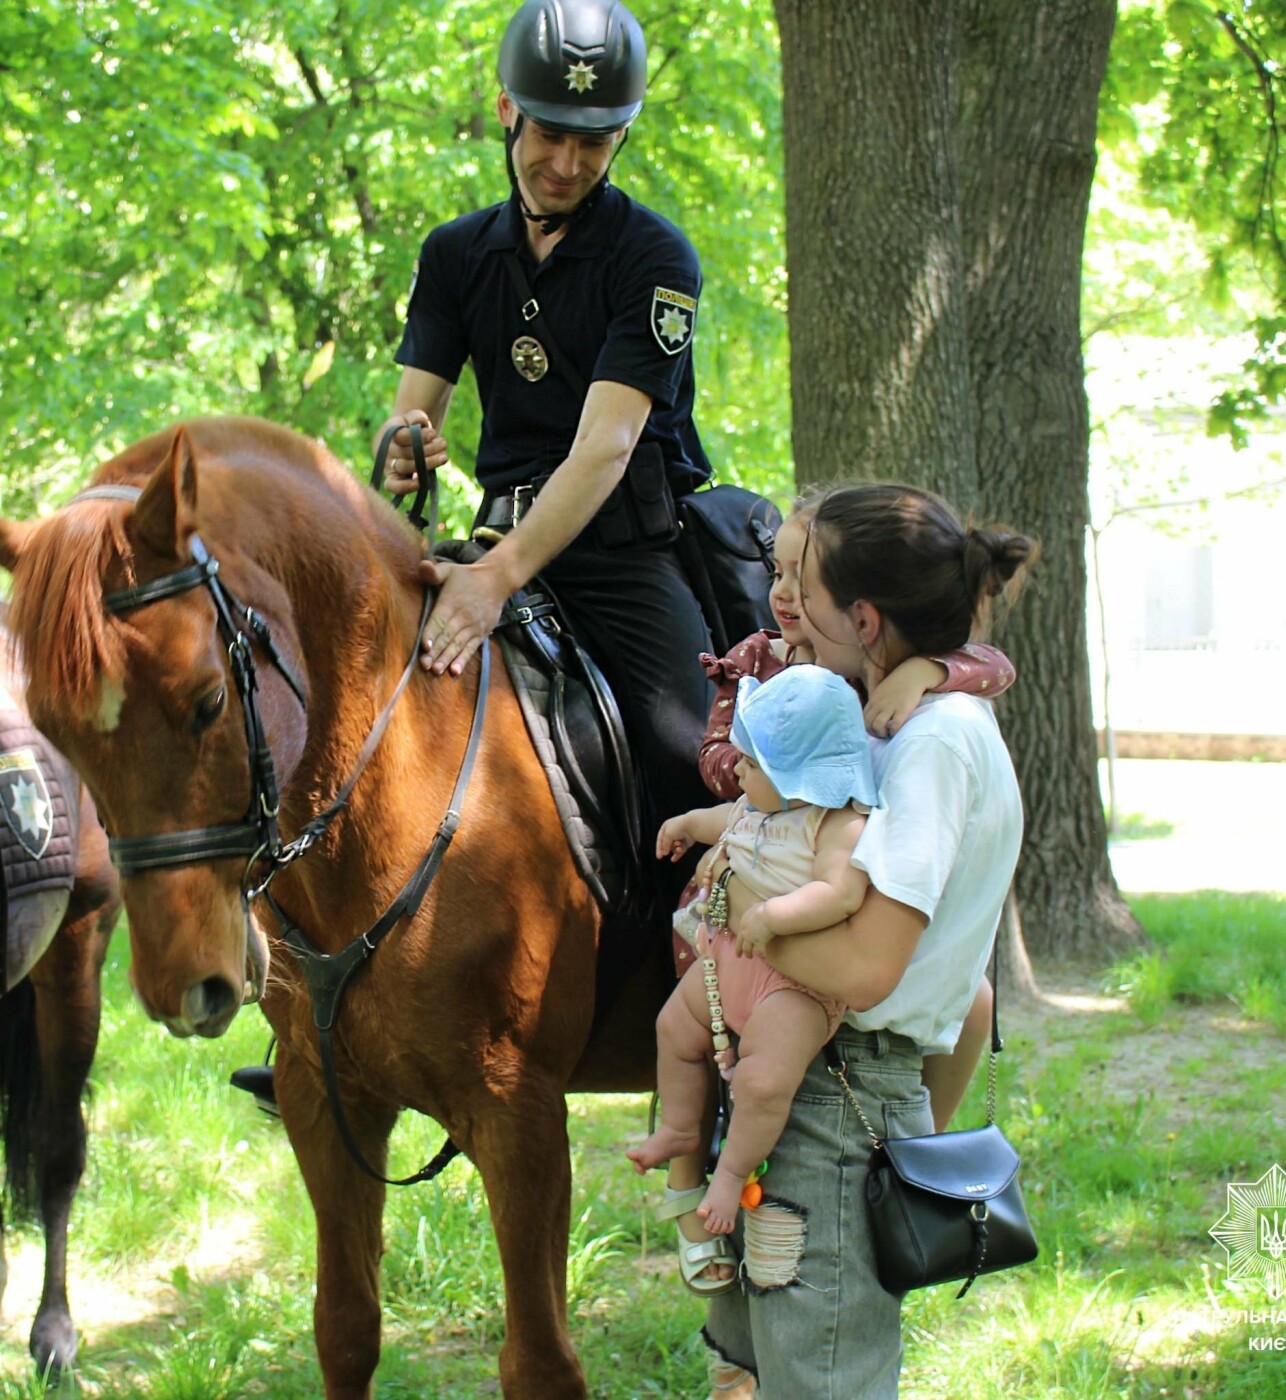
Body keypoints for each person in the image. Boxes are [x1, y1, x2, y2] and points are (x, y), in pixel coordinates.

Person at [702, 482, 1035, 1400]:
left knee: (822, 1380)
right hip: (795, 1083)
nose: (780, 607)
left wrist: (729, 913)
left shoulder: (931, 743)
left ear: (863, 614)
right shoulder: (873, 718)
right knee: (752, 1365)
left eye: (799, 585)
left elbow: (865, 966)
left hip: (836, 1095)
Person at [374, 0, 716, 845]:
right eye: (548, 134)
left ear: (621, 138)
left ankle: (703, 963)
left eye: (591, 144)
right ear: (506, 111)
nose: (564, 164)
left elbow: (607, 444)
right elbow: (412, 410)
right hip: (496, 537)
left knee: (690, 753)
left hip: (620, 552)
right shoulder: (454, 254)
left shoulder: (655, 258)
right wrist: (403, 449)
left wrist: (498, 578)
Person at [627, 665, 878, 1254]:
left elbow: (840, 892)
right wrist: (687, 824)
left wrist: (774, 917)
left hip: (793, 985)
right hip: (728, 964)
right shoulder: (753, 806)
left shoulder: (834, 823)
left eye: (752, 763)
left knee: (764, 1082)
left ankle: (733, 1174)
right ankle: (680, 1127)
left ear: (800, 778)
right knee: (673, 1026)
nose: (736, 770)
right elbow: (721, 821)